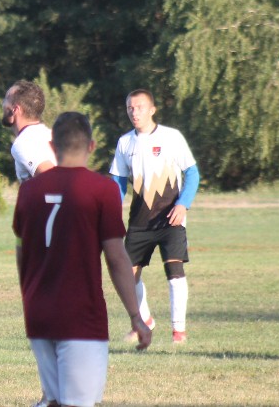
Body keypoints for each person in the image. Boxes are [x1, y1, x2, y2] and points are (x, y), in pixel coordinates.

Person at [13, 112, 151, 407]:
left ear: (52, 145)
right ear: (91, 145)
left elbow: (21, 251)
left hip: (39, 312)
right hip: (80, 315)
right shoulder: (102, 190)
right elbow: (116, 258)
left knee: (54, 400)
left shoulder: (28, 191)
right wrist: (135, 316)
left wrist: (30, 296)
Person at [109, 89, 199, 344]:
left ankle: (178, 331)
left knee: (175, 272)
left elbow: (192, 174)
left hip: (171, 218)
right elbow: (117, 182)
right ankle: (145, 319)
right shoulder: (125, 143)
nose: (134, 112)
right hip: (139, 221)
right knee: (129, 275)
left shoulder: (172, 137)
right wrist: (112, 212)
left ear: (152, 109)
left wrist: (183, 205)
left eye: (139, 107)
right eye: (130, 108)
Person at [2, 80, 56, 183]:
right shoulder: (49, 134)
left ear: (15, 109)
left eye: (6, 99)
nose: (2, 103)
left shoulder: (24, 143)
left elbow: (52, 178)